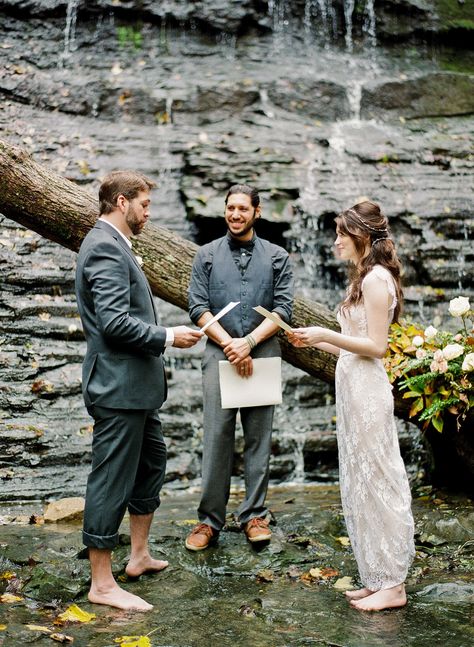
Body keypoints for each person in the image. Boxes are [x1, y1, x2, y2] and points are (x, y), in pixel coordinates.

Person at [75, 170, 202, 611]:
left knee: (151, 463)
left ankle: (138, 555)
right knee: (111, 477)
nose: (149, 213)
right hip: (117, 387)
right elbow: (113, 323)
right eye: (144, 205)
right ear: (121, 202)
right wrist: (169, 336)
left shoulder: (116, 246)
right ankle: (102, 583)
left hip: (137, 389)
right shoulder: (105, 249)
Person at [288, 201, 415, 612]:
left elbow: (376, 347)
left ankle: (393, 584)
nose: (336, 240)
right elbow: (352, 342)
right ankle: (375, 577)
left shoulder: (378, 280)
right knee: (361, 480)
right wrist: (313, 339)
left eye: (342, 233)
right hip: (352, 387)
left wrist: (328, 331)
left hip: (368, 391)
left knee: (379, 478)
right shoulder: (362, 278)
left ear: (361, 235)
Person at [186, 184, 293, 551]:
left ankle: (254, 515)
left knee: (259, 438)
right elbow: (197, 306)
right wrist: (230, 343)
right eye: (230, 208)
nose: (235, 214)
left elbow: (283, 310)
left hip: (262, 352)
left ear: (257, 212)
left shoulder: (278, 256)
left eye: (243, 209)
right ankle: (208, 522)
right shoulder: (206, 256)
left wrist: (248, 343)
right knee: (217, 438)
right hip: (219, 353)